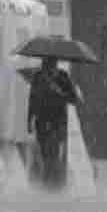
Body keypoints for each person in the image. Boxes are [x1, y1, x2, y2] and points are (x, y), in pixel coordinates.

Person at [27, 57, 81, 190]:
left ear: (55, 65)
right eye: (45, 65)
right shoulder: (38, 77)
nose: (48, 68)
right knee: (46, 155)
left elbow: (73, 98)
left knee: (54, 153)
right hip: (42, 120)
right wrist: (29, 120)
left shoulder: (63, 76)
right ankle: (48, 183)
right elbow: (32, 99)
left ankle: (54, 184)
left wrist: (58, 91)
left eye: (51, 65)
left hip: (58, 121)